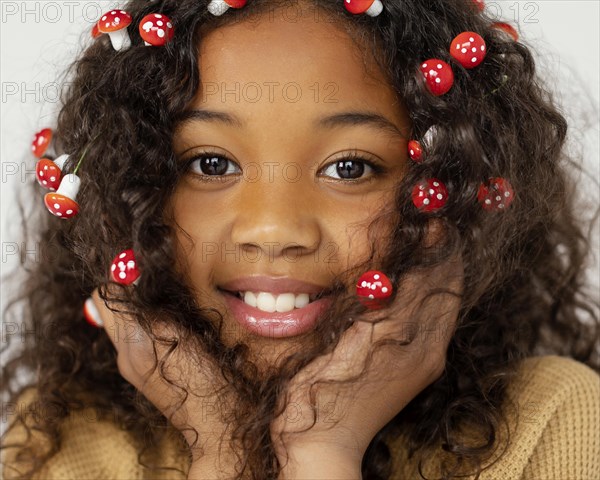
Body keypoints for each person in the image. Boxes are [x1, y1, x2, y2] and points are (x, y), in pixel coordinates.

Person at [1, 0, 599, 479]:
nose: (275, 230)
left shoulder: (553, 423)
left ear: (456, 191)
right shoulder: (63, 447)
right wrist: (221, 453)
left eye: (349, 168)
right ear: (126, 194)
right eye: (210, 164)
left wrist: (321, 453)